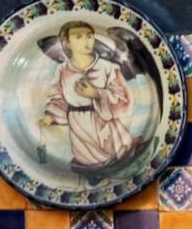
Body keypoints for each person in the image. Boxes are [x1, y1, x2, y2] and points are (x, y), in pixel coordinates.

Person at [39, 22, 140, 173]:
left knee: (114, 158)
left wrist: (96, 94)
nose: (86, 41)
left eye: (89, 36)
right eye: (78, 37)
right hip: (78, 124)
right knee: (88, 163)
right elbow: (58, 96)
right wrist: (50, 117)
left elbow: (122, 97)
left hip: (103, 123)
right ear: (67, 43)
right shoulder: (62, 69)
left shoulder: (108, 67)